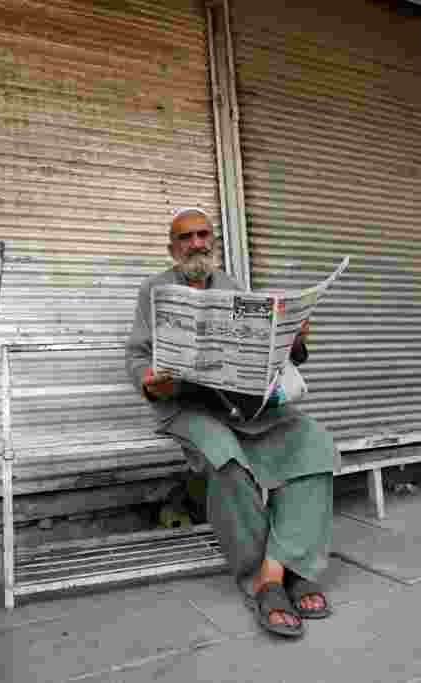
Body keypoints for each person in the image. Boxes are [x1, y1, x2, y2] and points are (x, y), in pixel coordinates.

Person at [125, 207, 338, 638]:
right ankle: (259, 579)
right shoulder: (154, 289)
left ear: (213, 242)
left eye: (204, 235)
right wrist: (151, 381)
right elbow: (137, 356)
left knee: (312, 442)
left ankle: (283, 566)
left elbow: (261, 354)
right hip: (187, 407)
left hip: (240, 405)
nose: (197, 243)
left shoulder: (230, 286)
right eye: (186, 237)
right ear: (172, 247)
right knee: (226, 460)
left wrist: (292, 340)